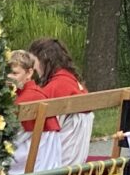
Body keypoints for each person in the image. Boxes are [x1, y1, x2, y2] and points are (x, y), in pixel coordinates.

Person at [29, 37, 92, 168]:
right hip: (76, 158)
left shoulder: (55, 87)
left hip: (59, 161)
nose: (32, 68)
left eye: (33, 61)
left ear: (44, 59)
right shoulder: (72, 81)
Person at [7, 50, 62, 175]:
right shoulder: (30, 92)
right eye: (7, 73)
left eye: (15, 73)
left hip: (37, 160)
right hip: (41, 156)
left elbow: (16, 136)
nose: (10, 77)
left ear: (30, 73)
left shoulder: (29, 98)